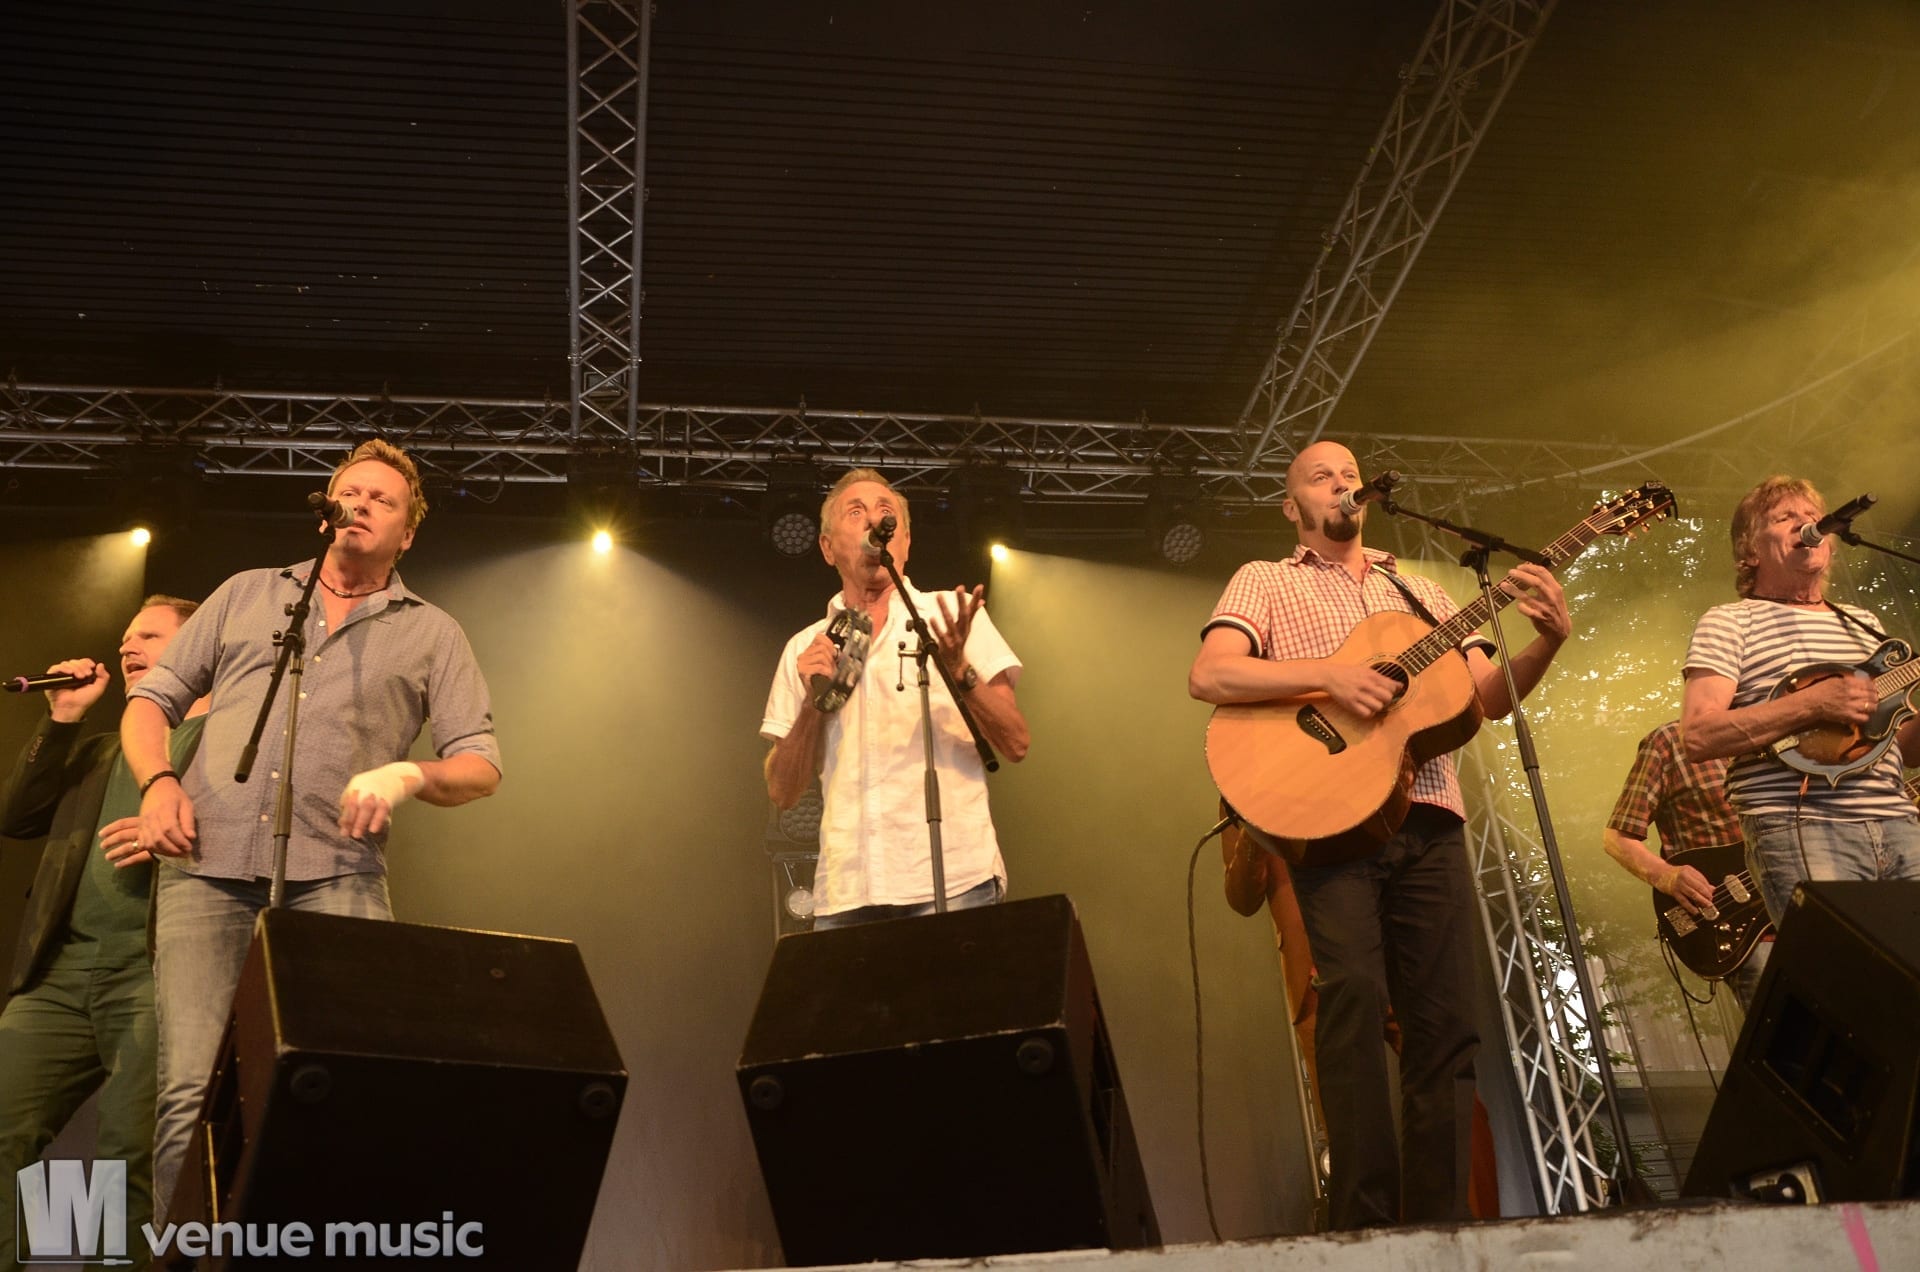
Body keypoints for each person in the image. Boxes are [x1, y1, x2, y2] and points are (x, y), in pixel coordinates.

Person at [1188, 440, 1571, 1230]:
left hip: (1429, 814)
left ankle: (1439, 1226)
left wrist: (1548, 643)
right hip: (1331, 820)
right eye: (1320, 476)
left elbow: (1487, 697)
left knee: (1446, 1025)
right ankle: (1362, 1223)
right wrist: (1329, 675)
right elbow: (1212, 674)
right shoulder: (1266, 579)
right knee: (1355, 1004)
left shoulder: (1420, 589)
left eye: (1350, 474)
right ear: (1291, 506)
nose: (1341, 483)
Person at [122, 438, 503, 1218]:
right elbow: (150, 701)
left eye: (382, 500)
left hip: (339, 876)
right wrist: (158, 783)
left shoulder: (433, 633)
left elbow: (481, 765)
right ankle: (190, 1262)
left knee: (346, 1085)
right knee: (189, 1092)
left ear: (408, 533)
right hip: (206, 866)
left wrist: (407, 776)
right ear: (327, 510)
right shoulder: (248, 594)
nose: (361, 504)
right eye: (350, 492)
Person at [0, 596, 206, 1271]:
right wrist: (61, 717)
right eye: (123, 639)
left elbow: (260, 836)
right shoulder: (97, 751)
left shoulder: (228, 742)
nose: (126, 647)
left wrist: (176, 828)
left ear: (200, 647)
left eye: (148, 635)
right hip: (59, 974)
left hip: (155, 971)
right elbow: (17, 816)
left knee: (129, 1156)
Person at [762, 467, 1029, 929]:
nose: (873, 520)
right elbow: (783, 792)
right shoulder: (806, 648)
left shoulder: (953, 616)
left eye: (886, 512)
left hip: (956, 881)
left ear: (905, 541)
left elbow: (1016, 742)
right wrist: (812, 703)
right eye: (855, 512)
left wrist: (959, 671)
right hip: (846, 893)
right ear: (827, 547)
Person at [1681, 475, 1920, 928]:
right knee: (1838, 969)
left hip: (1900, 822)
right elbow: (1697, 736)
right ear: (1750, 550)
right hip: (1800, 825)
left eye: (1812, 516)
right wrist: (1813, 704)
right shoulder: (1729, 622)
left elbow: (1904, 751)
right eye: (1785, 517)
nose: (1806, 523)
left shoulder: (1865, 624)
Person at [1603, 720, 1771, 1011]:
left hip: (1817, 911)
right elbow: (1617, 837)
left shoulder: (1785, 736)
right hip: (1753, 936)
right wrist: (1665, 875)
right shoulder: (1670, 742)